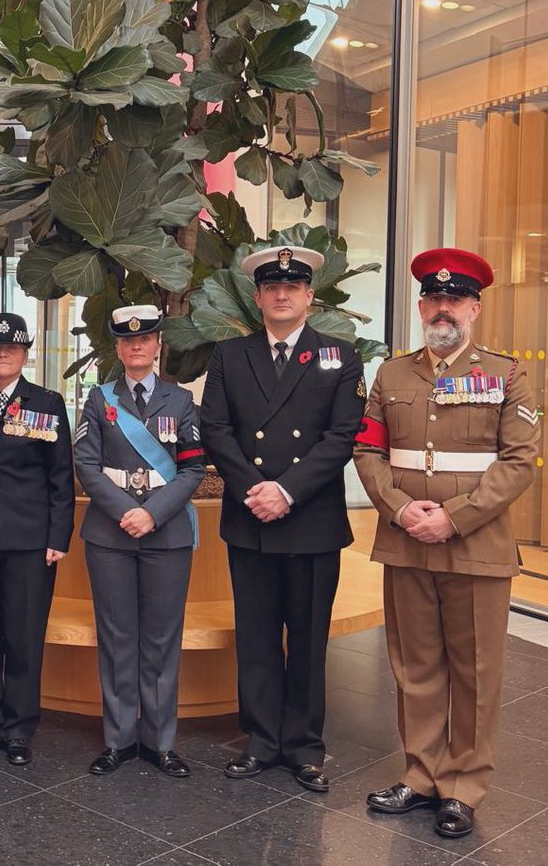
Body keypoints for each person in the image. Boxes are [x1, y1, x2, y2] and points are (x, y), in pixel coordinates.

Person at [354, 248, 539, 839]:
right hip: (407, 540)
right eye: (433, 299)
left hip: (475, 545)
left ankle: (464, 786)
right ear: (420, 305)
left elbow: (519, 461)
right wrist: (403, 509)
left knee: (477, 670)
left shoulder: (508, 374)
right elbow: (368, 451)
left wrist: (453, 517)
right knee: (415, 665)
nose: (442, 309)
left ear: (474, 309)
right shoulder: (391, 374)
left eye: (454, 299)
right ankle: (422, 773)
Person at [199, 245, 365, 793]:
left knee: (309, 637)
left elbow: (342, 436)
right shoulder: (229, 356)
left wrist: (287, 491)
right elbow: (216, 429)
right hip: (251, 517)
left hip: (309, 519)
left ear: (309, 297)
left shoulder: (341, 356)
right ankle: (262, 740)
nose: (282, 294)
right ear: (258, 297)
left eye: (292, 287)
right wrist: (255, 490)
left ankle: (304, 746)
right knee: (257, 636)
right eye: (272, 287)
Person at [73, 304, 205, 778]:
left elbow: (192, 468)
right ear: (118, 348)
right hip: (110, 533)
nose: (136, 346)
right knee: (116, 637)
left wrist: (150, 513)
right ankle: (118, 740)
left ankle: (160, 741)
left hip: (165, 532)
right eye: (128, 340)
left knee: (162, 639)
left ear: (157, 346)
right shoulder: (98, 399)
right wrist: (126, 511)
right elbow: (85, 464)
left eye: (145, 339)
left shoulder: (181, 400)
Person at [0, 313, 74, 767]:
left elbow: (60, 477)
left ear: (26, 353)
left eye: (12, 348)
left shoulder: (47, 402)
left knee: (24, 635)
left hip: (29, 537)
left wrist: (58, 536)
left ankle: (21, 727)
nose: (3, 353)